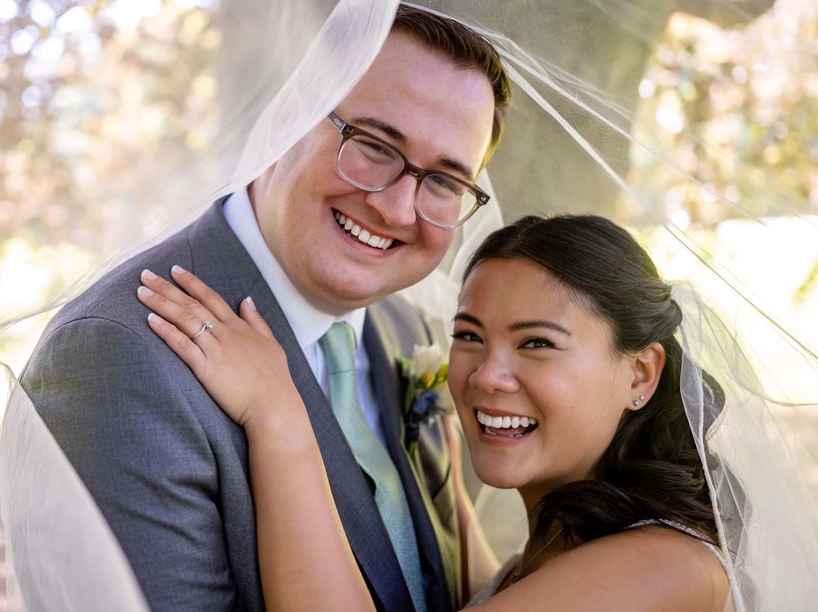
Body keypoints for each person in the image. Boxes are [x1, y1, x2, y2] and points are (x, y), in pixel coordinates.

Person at [16, 3, 511, 612]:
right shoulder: (121, 356)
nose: (398, 208)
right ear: (287, 115)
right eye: (377, 146)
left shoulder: (408, 331)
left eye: (443, 182)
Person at [136, 214, 760, 610]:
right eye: (469, 336)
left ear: (640, 374)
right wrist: (442, 486)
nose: (487, 374)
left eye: (536, 343)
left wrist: (278, 412)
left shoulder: (666, 568)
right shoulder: (560, 550)